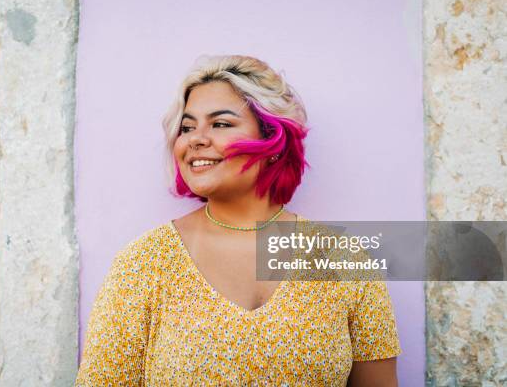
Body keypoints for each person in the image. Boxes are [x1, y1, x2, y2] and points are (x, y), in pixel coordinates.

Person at [75, 55, 401, 386]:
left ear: (273, 138)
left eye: (220, 124)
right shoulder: (143, 264)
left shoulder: (343, 259)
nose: (195, 139)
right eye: (187, 128)